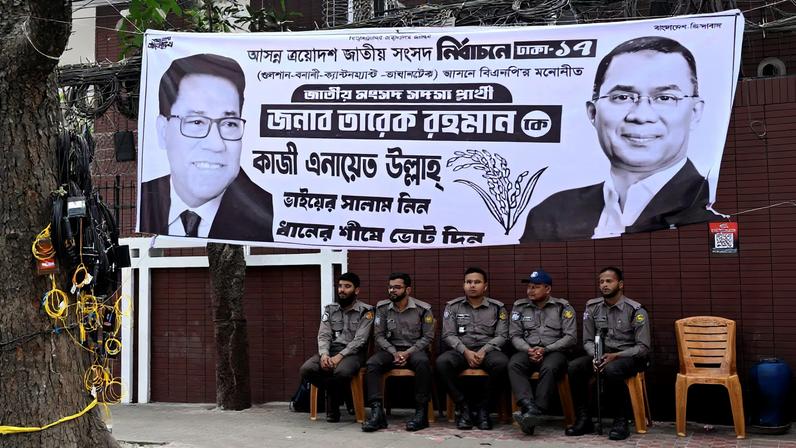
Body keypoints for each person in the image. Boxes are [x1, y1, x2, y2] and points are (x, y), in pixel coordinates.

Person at [521, 36, 720, 242]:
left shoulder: (711, 207)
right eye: (622, 97)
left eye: (665, 98)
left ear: (695, 112)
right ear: (592, 112)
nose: (641, 116)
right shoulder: (551, 214)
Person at [139, 53, 274, 242]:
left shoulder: (267, 213)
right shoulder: (145, 200)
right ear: (163, 131)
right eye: (196, 122)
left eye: (229, 124)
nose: (216, 144)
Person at [565, 267, 650, 441]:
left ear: (620, 284)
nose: (604, 285)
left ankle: (621, 421)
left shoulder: (635, 310)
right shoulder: (592, 308)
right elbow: (587, 340)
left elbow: (643, 348)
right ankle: (584, 419)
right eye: (601, 281)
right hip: (601, 354)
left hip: (629, 357)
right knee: (574, 367)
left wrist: (616, 356)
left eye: (609, 281)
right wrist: (595, 355)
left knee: (612, 370)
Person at [436, 267, 509, 430]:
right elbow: (448, 334)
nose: (472, 285)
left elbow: (502, 335)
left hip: (488, 351)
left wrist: (484, 351)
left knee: (502, 364)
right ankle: (464, 408)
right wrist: (465, 351)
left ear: (485, 286)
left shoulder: (497, 308)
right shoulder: (452, 307)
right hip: (461, 351)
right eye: (469, 282)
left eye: (477, 282)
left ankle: (484, 409)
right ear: (464, 285)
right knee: (442, 363)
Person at [361, 273, 435, 432]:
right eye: (390, 287)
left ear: (408, 290)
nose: (392, 290)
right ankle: (376, 412)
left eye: (397, 287)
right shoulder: (382, 308)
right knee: (372, 363)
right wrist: (394, 352)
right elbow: (378, 335)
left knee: (423, 363)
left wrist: (407, 353)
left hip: (414, 350)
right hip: (391, 350)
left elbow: (428, 337)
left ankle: (421, 413)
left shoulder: (423, 309)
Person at [508, 269, 577, 435]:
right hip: (528, 350)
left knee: (550, 367)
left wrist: (546, 349)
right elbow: (514, 335)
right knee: (514, 364)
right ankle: (529, 406)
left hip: (555, 351)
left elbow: (571, 337)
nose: (531, 290)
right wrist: (528, 349)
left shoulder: (563, 307)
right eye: (529, 287)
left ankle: (536, 411)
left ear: (548, 289)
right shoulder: (520, 307)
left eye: (536, 287)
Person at [299, 272, 374, 422]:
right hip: (331, 351)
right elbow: (323, 335)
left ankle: (332, 409)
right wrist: (324, 355)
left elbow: (360, 340)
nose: (342, 290)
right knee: (306, 369)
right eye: (340, 286)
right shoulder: (330, 309)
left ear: (356, 290)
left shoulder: (367, 311)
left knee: (341, 372)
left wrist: (340, 356)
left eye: (347, 286)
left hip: (353, 354)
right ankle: (345, 397)